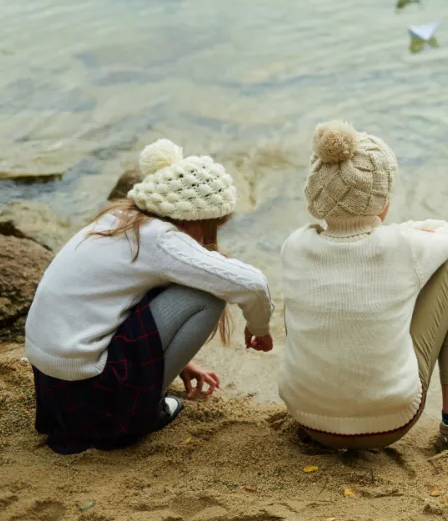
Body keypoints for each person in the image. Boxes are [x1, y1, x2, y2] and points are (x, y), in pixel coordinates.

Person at [25, 139, 275, 454]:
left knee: (166, 285)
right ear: (193, 219)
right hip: (90, 391)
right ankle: (144, 409)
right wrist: (260, 329)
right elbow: (252, 284)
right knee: (208, 298)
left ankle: (143, 388)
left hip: (54, 384)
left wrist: (183, 362)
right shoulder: (162, 240)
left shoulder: (118, 218)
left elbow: (115, 304)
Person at [277, 121, 448, 452]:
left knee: (312, 292)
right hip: (387, 423)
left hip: (308, 417)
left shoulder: (295, 246)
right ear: (383, 197)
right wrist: (407, 229)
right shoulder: (404, 246)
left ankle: (321, 383)